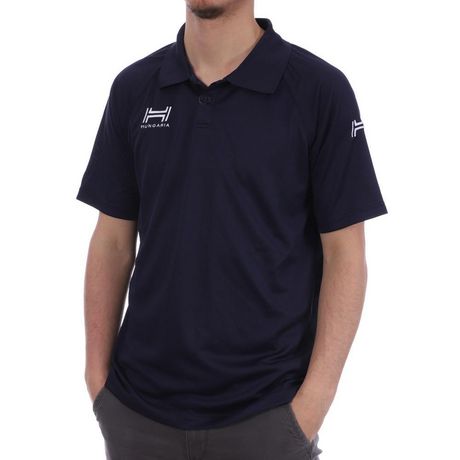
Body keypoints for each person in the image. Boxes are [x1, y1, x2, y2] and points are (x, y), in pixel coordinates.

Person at [76, 1, 388, 458]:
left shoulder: (319, 90)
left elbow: (346, 253)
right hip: (137, 416)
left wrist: (312, 405)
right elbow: (112, 241)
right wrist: (97, 381)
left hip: (267, 416)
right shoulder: (134, 87)